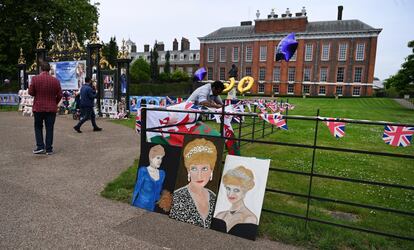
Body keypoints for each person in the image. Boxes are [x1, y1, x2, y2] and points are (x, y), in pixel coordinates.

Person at [169, 138, 218, 228]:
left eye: (204, 168)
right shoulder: (178, 198)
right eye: (194, 168)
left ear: (212, 170)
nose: (199, 175)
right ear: (188, 171)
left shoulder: (213, 197)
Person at [211, 166, 257, 240]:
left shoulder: (249, 218)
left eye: (236, 190)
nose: (230, 194)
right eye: (228, 189)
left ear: (244, 192)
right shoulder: (220, 215)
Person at [28, 61, 63, 155]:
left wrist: (36, 93)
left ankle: (40, 147)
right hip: (51, 108)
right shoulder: (56, 80)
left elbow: (30, 92)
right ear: (49, 69)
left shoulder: (35, 79)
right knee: (50, 128)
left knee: (38, 127)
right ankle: (49, 149)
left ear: (41, 69)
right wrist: (54, 103)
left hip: (38, 107)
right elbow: (60, 94)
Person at [131, 145, 166, 212]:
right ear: (151, 158)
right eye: (158, 158)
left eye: (161, 158)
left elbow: (157, 193)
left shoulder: (162, 174)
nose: (160, 161)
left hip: (151, 207)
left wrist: (163, 199)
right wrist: (131, 205)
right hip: (139, 205)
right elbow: (137, 188)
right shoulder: (143, 170)